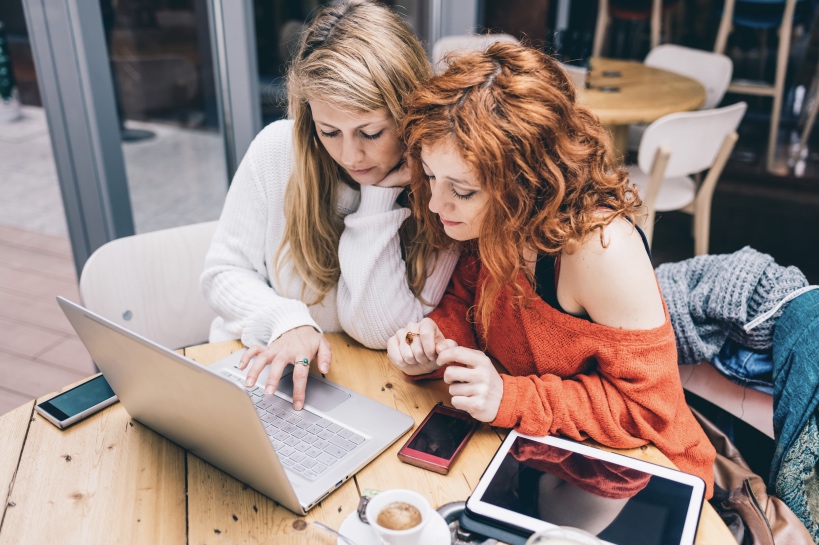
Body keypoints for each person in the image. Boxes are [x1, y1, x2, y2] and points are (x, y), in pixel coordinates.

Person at [387, 42, 716, 497]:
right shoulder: (494, 217)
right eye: (429, 176)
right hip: (545, 451)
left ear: (527, 183)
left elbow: (649, 411)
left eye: (461, 191)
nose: (436, 203)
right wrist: (433, 341)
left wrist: (509, 397)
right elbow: (468, 303)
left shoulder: (600, 250)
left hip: (641, 476)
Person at [200, 0, 457, 410]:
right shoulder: (276, 150)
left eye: (370, 132)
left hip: (362, 389)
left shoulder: (444, 191)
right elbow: (222, 274)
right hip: (257, 372)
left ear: (409, 114)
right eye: (329, 131)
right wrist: (286, 319)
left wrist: (378, 200)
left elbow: (381, 330)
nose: (351, 155)